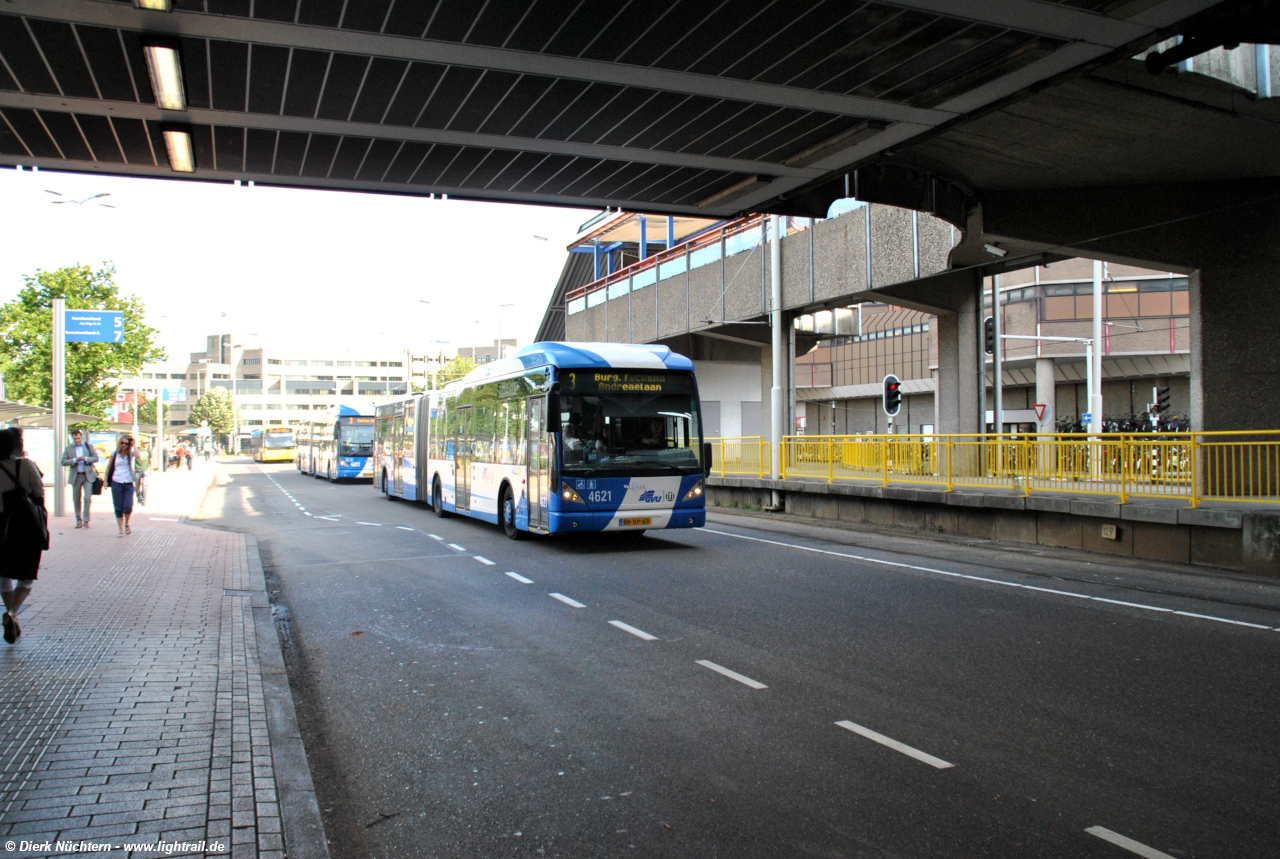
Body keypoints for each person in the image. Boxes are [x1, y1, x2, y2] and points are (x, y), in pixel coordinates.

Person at [0, 427, 46, 644]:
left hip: (1, 528)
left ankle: (11, 616)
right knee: (26, 575)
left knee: (4, 574)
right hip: (25, 527)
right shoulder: (25, 464)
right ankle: (12, 613)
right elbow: (39, 492)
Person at [60, 428, 99, 529]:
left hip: (87, 476)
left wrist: (85, 459)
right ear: (72, 438)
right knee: (76, 499)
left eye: (78, 438)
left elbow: (96, 458)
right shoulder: (68, 448)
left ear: (81, 437)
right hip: (76, 476)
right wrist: (74, 460)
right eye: (75, 439)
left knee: (87, 498)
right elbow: (63, 462)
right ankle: (78, 520)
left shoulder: (88, 446)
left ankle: (86, 520)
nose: (77, 440)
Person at [105, 435, 139, 537]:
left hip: (128, 481)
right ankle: (120, 530)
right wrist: (106, 481)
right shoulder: (115, 453)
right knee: (118, 506)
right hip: (117, 481)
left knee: (128, 506)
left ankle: (127, 523)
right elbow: (109, 467)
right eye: (122, 443)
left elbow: (138, 455)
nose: (124, 445)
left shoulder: (130, 453)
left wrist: (134, 445)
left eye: (126, 443)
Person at [133, 438, 152, 506]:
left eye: (147, 443)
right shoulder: (137, 450)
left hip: (145, 470)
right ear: (142, 443)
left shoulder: (148, 450)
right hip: (137, 470)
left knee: (144, 485)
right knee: (137, 487)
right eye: (145, 442)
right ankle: (139, 498)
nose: (146, 444)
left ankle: (143, 500)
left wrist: (151, 469)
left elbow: (150, 459)